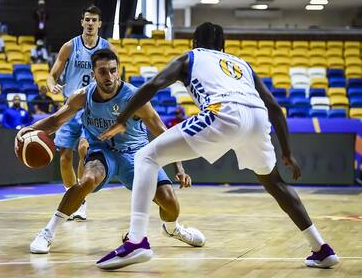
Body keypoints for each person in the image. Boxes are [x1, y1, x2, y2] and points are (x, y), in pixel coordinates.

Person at [96, 22, 340, 270]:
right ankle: (321, 249)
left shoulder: (190, 57)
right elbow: (275, 108)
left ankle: (137, 241)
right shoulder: (241, 64)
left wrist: (121, 119)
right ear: (223, 46)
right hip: (257, 118)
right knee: (274, 182)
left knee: (146, 156)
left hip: (223, 111)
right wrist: (286, 153)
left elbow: (152, 85)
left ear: (193, 43)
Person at [16, 49, 205, 254]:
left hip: (137, 153)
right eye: (103, 72)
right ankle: (47, 232)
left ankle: (172, 228)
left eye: (113, 71)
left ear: (119, 71)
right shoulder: (82, 96)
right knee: (87, 180)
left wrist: (179, 166)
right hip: (102, 151)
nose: (109, 76)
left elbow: (161, 130)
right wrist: (31, 130)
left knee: (169, 202)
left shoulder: (134, 97)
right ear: (94, 74)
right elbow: (55, 121)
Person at [46, 5, 112, 221]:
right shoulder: (70, 46)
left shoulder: (106, 48)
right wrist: (52, 85)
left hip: (93, 106)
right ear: (82, 22)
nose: (91, 23)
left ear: (100, 24)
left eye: (94, 20)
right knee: (65, 157)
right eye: (87, 20)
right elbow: (52, 74)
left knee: (84, 149)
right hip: (71, 106)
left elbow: (116, 77)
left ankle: (81, 200)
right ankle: (74, 197)